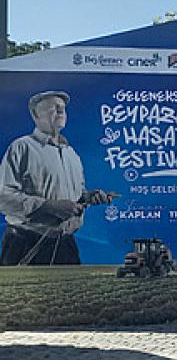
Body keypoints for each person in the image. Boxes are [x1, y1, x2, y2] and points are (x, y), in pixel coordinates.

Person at [0, 91, 113, 266]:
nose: (60, 110)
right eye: (53, 107)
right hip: (26, 242)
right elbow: (3, 197)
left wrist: (88, 197)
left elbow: (73, 194)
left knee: (76, 293)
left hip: (65, 244)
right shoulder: (21, 147)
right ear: (35, 115)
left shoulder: (72, 155)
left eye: (63, 108)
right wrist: (49, 206)